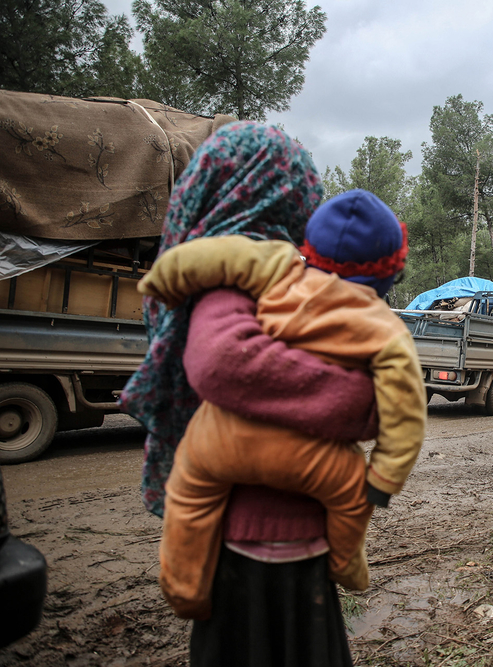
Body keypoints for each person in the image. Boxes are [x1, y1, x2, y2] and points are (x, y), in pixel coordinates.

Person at [119, 122, 380, 666]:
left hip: (291, 552)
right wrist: (361, 403)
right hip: (252, 559)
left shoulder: (281, 275)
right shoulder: (231, 274)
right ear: (274, 191)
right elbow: (222, 364)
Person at [138, 190, 426, 620]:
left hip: (220, 440)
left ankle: (184, 588)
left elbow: (212, 256)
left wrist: (161, 281)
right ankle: (346, 565)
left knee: (188, 495)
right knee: (352, 496)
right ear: (388, 273)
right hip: (316, 458)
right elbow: (406, 414)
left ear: (310, 244)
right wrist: (384, 479)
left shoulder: (277, 264)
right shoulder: (385, 328)